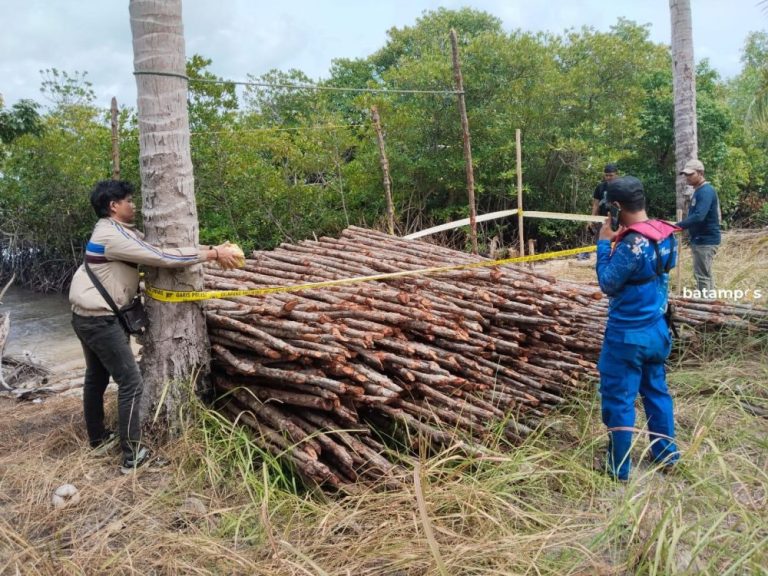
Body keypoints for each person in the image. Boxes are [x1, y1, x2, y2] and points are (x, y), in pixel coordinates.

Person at [69, 180, 242, 473]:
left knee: (96, 378)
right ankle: (132, 456)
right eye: (128, 200)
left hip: (86, 315)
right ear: (113, 206)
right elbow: (162, 257)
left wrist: (211, 248)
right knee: (131, 382)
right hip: (99, 320)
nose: (133, 204)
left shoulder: (117, 231)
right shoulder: (111, 236)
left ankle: (98, 439)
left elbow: (157, 247)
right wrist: (213, 256)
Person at [595, 175, 680, 481]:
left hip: (627, 337)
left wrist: (604, 244)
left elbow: (607, 283)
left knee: (619, 399)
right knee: (657, 392)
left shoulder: (632, 244)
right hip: (658, 330)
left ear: (616, 207)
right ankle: (667, 455)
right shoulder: (666, 234)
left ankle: (618, 468)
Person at [675, 159, 721, 292]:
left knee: (702, 276)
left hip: (705, 240)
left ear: (700, 173)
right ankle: (709, 303)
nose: (687, 178)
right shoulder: (699, 191)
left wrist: (678, 226)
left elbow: (699, 216)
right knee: (704, 274)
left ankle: (704, 306)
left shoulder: (706, 191)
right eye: (686, 175)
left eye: (690, 174)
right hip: (700, 239)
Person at [579, 163, 619, 260]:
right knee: (602, 241)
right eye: (606, 175)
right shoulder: (600, 187)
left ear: (617, 174)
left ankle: (615, 261)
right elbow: (596, 204)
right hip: (602, 219)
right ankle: (602, 260)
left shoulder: (621, 187)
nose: (608, 177)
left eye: (611, 175)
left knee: (618, 241)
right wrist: (591, 219)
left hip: (618, 219)